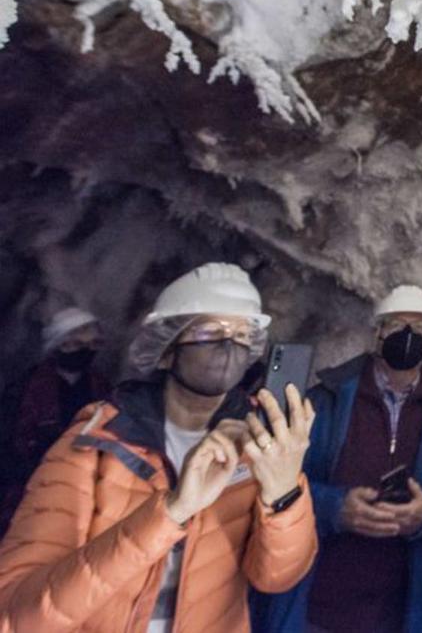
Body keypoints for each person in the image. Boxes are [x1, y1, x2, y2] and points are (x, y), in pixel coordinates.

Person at [0, 262, 318, 632]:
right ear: (166, 349)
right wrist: (170, 513)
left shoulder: (260, 443)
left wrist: (284, 494)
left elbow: (276, 578)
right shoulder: (96, 441)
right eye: (209, 331)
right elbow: (17, 615)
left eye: (243, 334)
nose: (229, 344)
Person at [254, 284, 422, 633]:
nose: (408, 334)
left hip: (398, 608)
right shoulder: (326, 399)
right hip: (320, 601)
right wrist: (335, 508)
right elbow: (282, 481)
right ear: (378, 332)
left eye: (420, 328)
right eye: (396, 324)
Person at [0, 307, 110, 537]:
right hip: (27, 486)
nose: (84, 350)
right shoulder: (24, 389)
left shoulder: (101, 387)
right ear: (58, 345)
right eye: (75, 344)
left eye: (91, 345)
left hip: (82, 484)